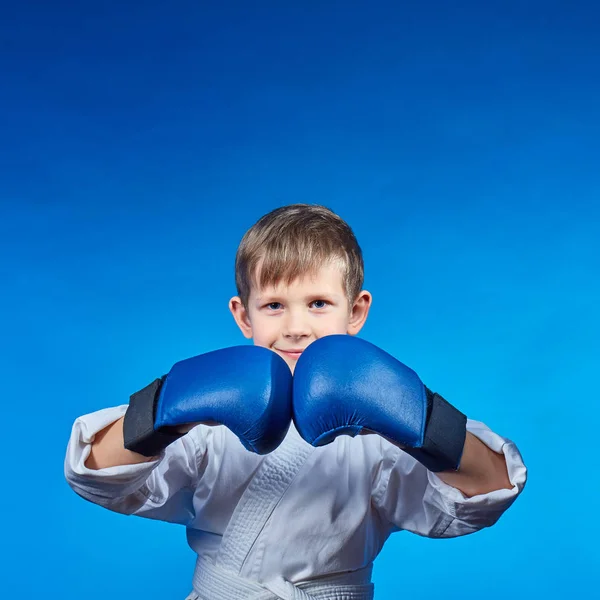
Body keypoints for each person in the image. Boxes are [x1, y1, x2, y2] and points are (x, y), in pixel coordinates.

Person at [64, 204, 527, 600]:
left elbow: (486, 495)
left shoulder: (382, 429)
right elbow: (96, 476)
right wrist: (166, 408)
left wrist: (420, 420)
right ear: (243, 316)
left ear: (357, 311)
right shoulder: (207, 422)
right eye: (274, 306)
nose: (296, 327)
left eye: (319, 303)